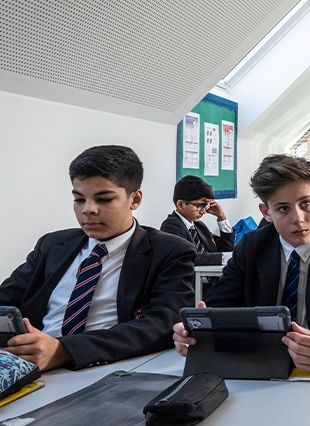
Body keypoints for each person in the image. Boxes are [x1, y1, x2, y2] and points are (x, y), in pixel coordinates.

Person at [173, 155, 310, 372]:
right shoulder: (251, 246)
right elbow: (217, 304)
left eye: (305, 203)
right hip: (259, 362)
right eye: (283, 208)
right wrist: (193, 329)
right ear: (266, 212)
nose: (298, 218)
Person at [0, 145, 194, 371]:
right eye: (79, 199)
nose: (88, 209)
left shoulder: (169, 251)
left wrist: (64, 349)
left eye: (104, 199)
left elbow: (161, 325)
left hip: (103, 368)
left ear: (135, 199)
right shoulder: (52, 245)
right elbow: (6, 299)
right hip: (29, 362)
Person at [160, 175, 234, 266]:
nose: (203, 211)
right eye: (199, 205)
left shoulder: (199, 226)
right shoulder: (170, 226)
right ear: (180, 204)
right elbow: (188, 258)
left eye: (205, 206)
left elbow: (226, 249)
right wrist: (226, 257)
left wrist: (222, 217)